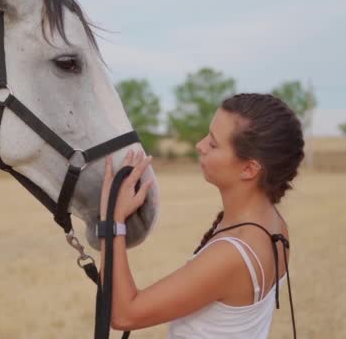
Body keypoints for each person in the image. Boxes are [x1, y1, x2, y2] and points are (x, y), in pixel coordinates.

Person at [99, 93, 304, 338]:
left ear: (249, 169)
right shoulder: (274, 224)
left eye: (214, 144)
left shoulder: (232, 253)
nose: (200, 145)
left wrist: (111, 220)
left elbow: (124, 315)